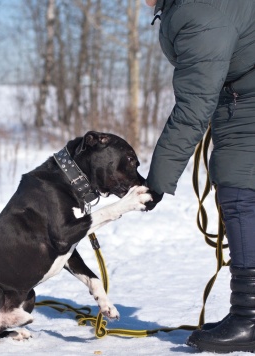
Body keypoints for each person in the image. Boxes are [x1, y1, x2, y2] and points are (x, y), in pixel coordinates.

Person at [144, 0, 255, 353]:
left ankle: (249, 317)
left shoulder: (199, 11)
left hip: (247, 102)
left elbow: (194, 106)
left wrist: (156, 182)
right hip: (241, 96)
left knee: (241, 195)